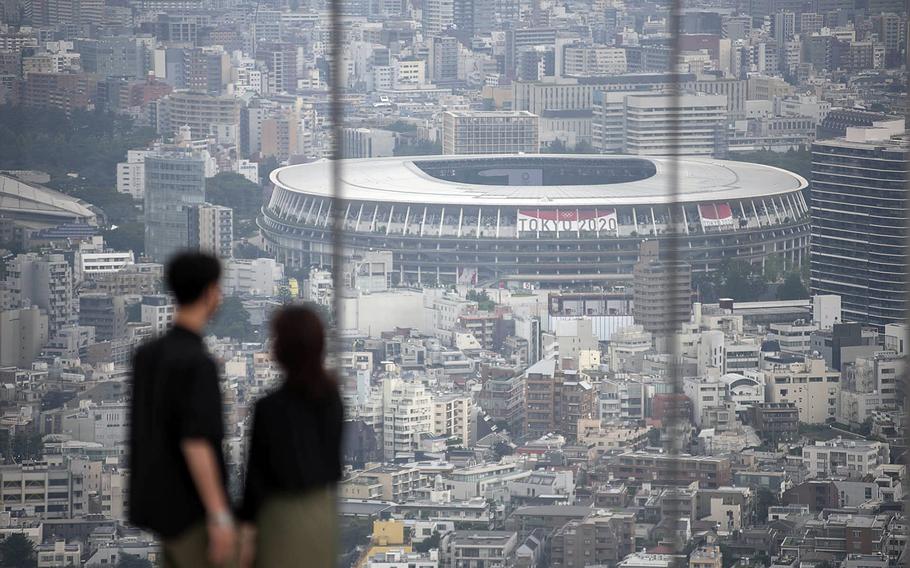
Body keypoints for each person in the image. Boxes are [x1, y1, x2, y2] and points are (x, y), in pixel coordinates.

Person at [129, 251, 236, 567]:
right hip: (192, 510)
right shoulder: (197, 363)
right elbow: (196, 441)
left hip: (157, 507)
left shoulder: (146, 355)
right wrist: (219, 514)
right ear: (210, 292)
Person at [237, 305, 344, 568]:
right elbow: (333, 468)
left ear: (281, 349)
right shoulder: (332, 400)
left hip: (279, 515)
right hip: (321, 515)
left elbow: (255, 483)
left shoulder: (269, 407)